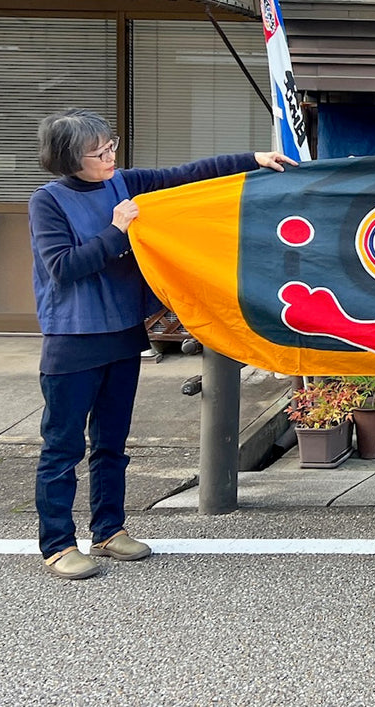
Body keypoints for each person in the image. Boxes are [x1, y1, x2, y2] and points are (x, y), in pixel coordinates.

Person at [29, 109, 296, 579]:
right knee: (63, 448)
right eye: (99, 152)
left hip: (122, 334)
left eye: (110, 145)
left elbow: (187, 175)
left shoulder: (122, 183)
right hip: (72, 339)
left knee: (111, 443)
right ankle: (57, 543)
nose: (111, 156)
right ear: (70, 159)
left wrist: (255, 158)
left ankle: (109, 531)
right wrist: (117, 230)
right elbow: (63, 268)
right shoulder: (47, 202)